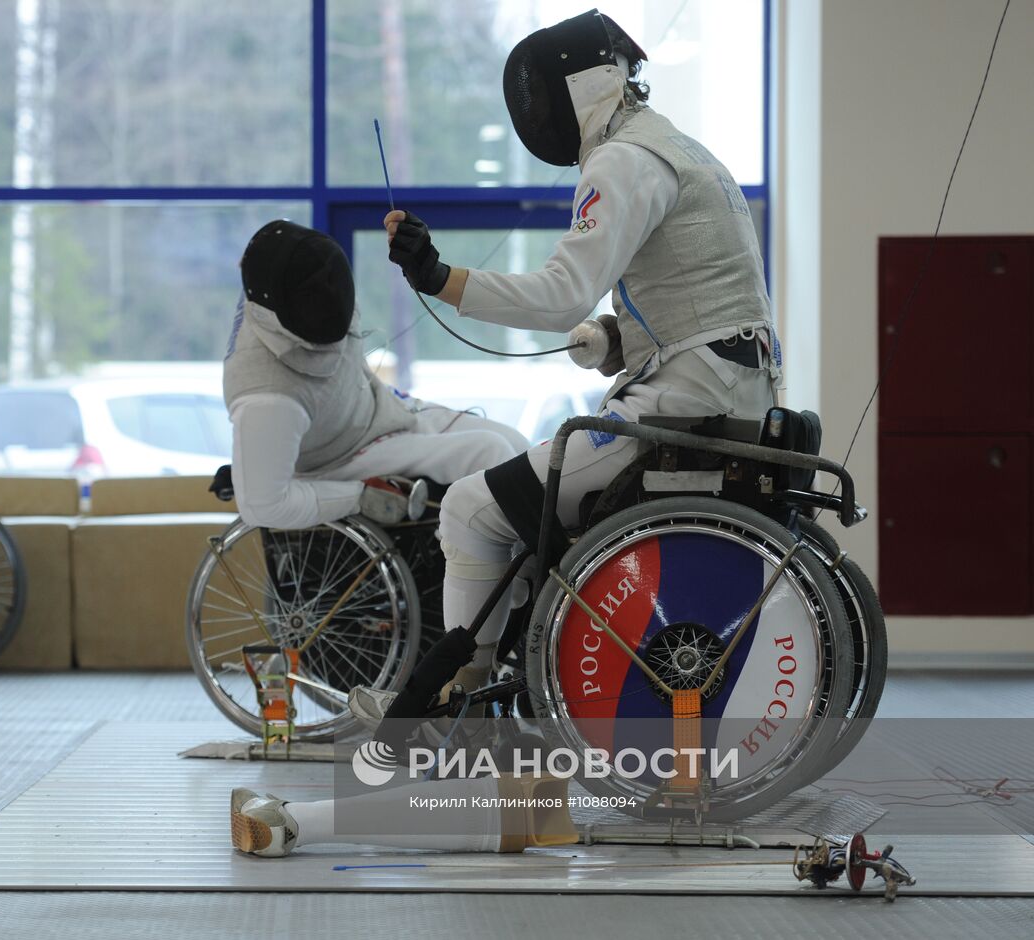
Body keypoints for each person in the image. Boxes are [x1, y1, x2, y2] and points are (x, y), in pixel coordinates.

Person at [232, 9, 779, 857]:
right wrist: (615, 340)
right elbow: (703, 292)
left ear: (565, 92)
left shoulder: (623, 162)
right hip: (716, 383)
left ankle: (461, 710)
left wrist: (439, 276)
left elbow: (562, 291)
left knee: (472, 511)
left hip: (682, 400)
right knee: (518, 489)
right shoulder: (675, 146)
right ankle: (507, 682)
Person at [225, 219, 528, 532]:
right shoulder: (266, 397)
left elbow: (261, 254)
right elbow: (264, 507)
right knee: (492, 454)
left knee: (518, 447)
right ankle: (492, 575)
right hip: (344, 457)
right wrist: (358, 496)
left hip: (380, 411)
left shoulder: (301, 272)